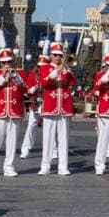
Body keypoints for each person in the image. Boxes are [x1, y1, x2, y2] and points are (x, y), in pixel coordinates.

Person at [0, 48, 28, 177]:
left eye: (9, 62)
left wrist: (15, 76)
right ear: (0, 63)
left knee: (12, 140)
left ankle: (9, 166)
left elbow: (24, 89)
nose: (7, 65)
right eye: (4, 62)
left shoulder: (20, 73)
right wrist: (3, 76)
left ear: (13, 61)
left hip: (15, 111)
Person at [38, 41, 76, 176]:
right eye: (55, 55)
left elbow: (72, 84)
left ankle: (63, 166)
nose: (58, 58)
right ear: (51, 55)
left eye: (60, 55)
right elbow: (44, 83)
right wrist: (56, 72)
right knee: (47, 138)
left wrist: (69, 72)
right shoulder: (45, 67)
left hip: (64, 106)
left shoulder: (66, 69)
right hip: (50, 106)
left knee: (64, 138)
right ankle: (45, 166)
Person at [20, 60, 45, 159]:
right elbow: (27, 91)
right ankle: (26, 149)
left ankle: (54, 150)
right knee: (31, 126)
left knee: (50, 127)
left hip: (47, 104)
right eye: (39, 66)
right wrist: (34, 88)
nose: (41, 69)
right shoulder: (32, 75)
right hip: (35, 103)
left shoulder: (51, 73)